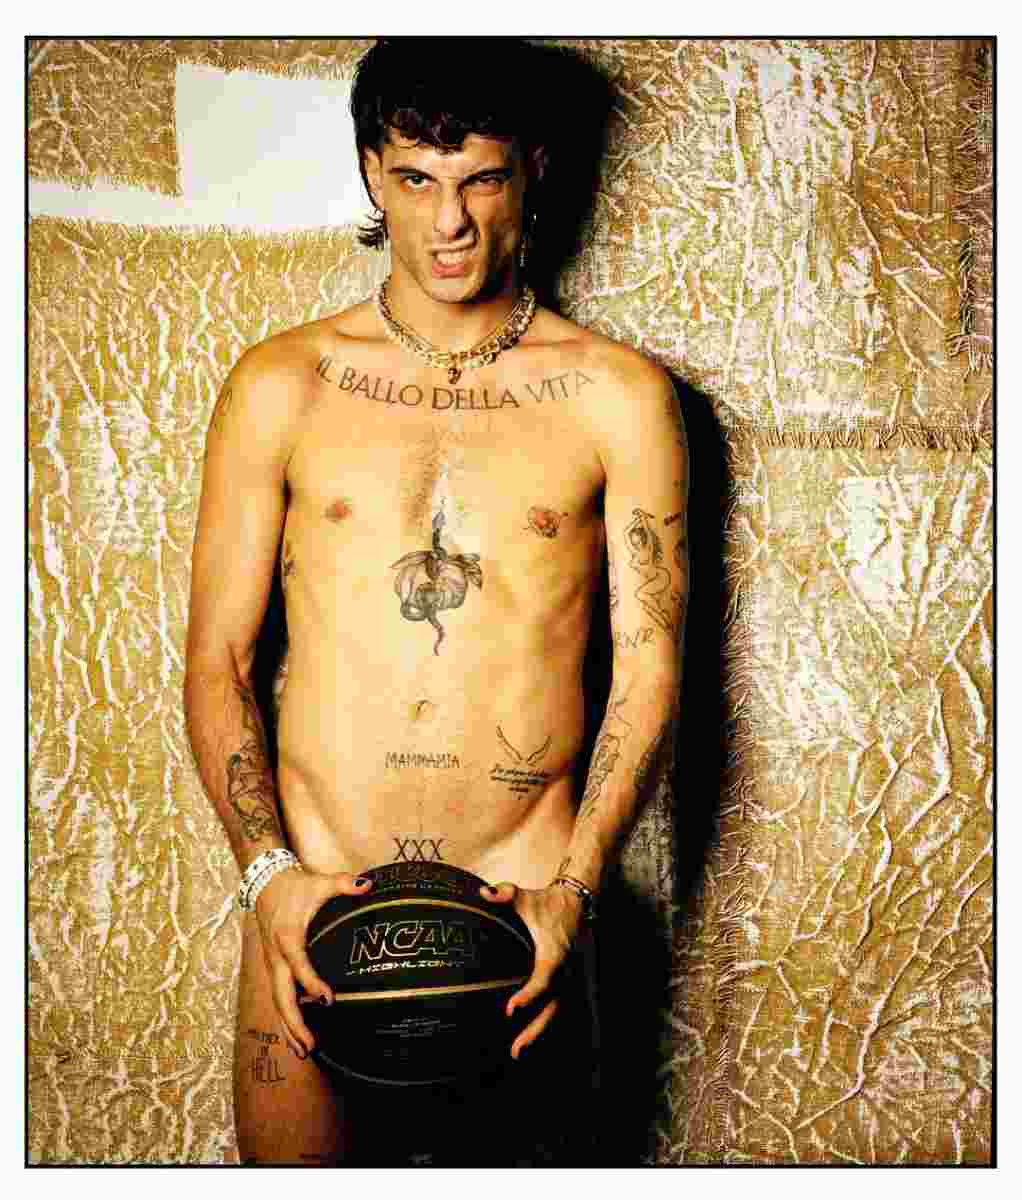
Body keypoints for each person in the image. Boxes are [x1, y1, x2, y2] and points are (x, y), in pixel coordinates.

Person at [184, 37, 688, 1166]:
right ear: (372, 172)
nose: (448, 221)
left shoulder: (617, 398)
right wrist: (269, 879)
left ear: (535, 170)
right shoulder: (282, 384)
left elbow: (648, 667)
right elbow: (217, 660)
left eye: (480, 179)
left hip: (525, 915)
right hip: (316, 907)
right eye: (414, 178)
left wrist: (572, 892)